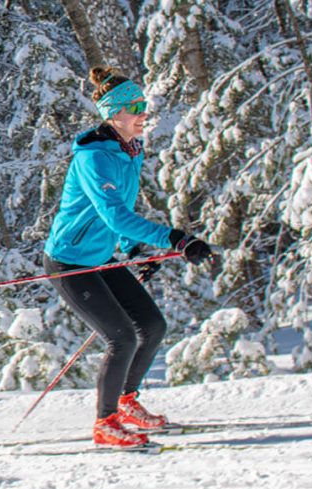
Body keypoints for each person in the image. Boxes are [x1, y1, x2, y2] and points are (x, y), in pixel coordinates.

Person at [44, 66, 213, 448]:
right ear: (113, 113)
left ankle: (127, 402)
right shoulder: (93, 158)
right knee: (120, 336)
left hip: (101, 257)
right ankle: (105, 423)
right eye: (135, 107)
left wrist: (134, 248)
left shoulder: (129, 150)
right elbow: (114, 214)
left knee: (152, 326)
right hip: (70, 262)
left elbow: (120, 210)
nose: (143, 113)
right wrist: (176, 240)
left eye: (144, 105)